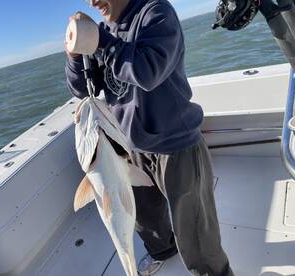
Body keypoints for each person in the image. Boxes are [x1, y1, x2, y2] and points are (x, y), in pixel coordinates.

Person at [64, 0, 234, 275]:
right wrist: (74, 57)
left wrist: (102, 42)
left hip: (175, 147)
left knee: (195, 231)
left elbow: (147, 71)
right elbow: (85, 89)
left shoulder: (155, 13)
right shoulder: (102, 31)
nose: (93, 2)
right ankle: (163, 250)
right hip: (131, 148)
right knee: (147, 219)